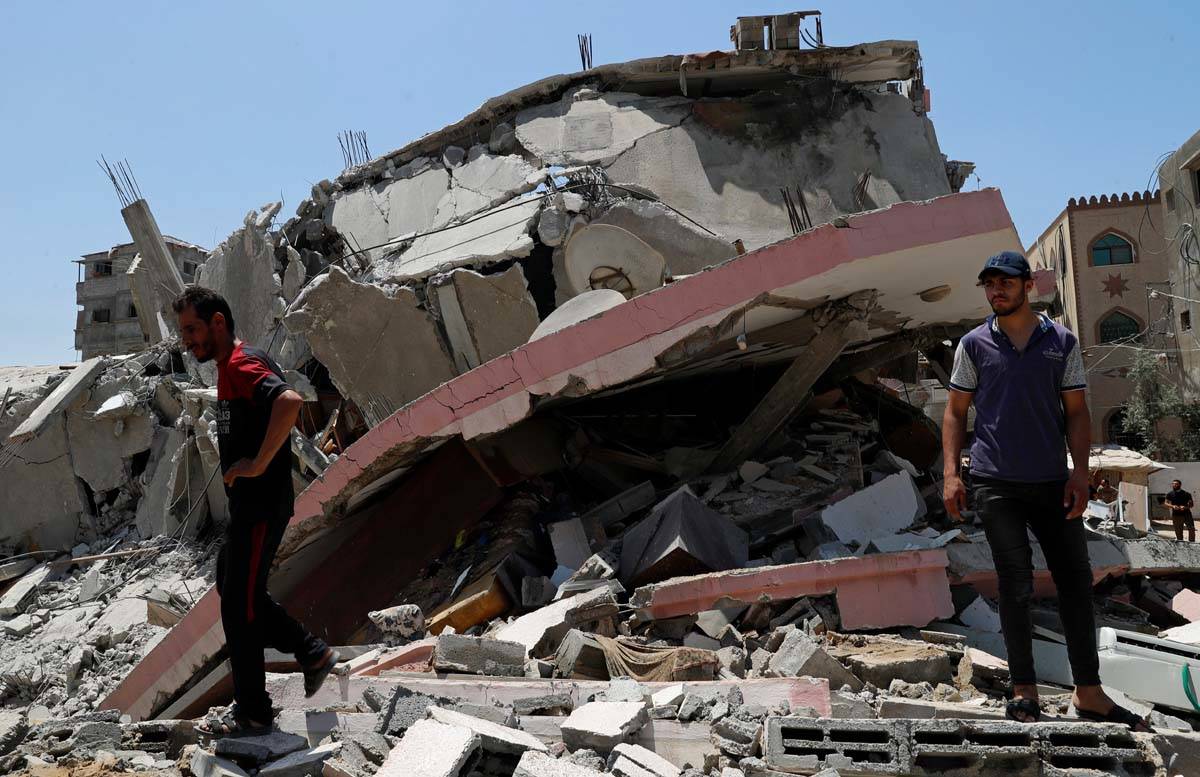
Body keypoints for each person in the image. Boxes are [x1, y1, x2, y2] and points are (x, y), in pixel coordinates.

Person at [941, 251, 1149, 731]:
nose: (996, 290)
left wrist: (1081, 472)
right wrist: (951, 473)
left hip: (1054, 482)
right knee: (1014, 584)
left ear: (1028, 286)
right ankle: (1023, 691)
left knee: (1075, 583)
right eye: (989, 283)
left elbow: (1076, 411)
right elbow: (955, 412)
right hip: (995, 482)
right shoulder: (972, 345)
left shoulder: (1062, 342)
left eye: (1005, 282)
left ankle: (1089, 692)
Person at [174, 287, 339, 736]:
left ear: (219, 323)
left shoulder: (243, 364)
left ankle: (254, 712)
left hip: (261, 505)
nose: (187, 341)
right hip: (251, 507)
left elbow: (288, 402)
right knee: (233, 587)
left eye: (192, 329)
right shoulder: (232, 365)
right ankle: (311, 652)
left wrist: (258, 463)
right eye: (183, 332)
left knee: (241, 607)